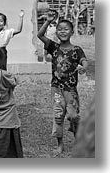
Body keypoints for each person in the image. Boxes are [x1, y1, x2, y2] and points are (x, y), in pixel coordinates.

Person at [37, 10, 89, 154]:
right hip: (57, 89)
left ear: (72, 32)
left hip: (71, 90)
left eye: (66, 29)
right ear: (56, 32)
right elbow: (40, 35)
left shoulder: (76, 50)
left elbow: (84, 61)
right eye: (60, 29)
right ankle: (60, 145)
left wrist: (83, 67)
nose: (63, 31)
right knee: (58, 116)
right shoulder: (53, 47)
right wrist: (47, 21)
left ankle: (76, 133)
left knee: (73, 116)